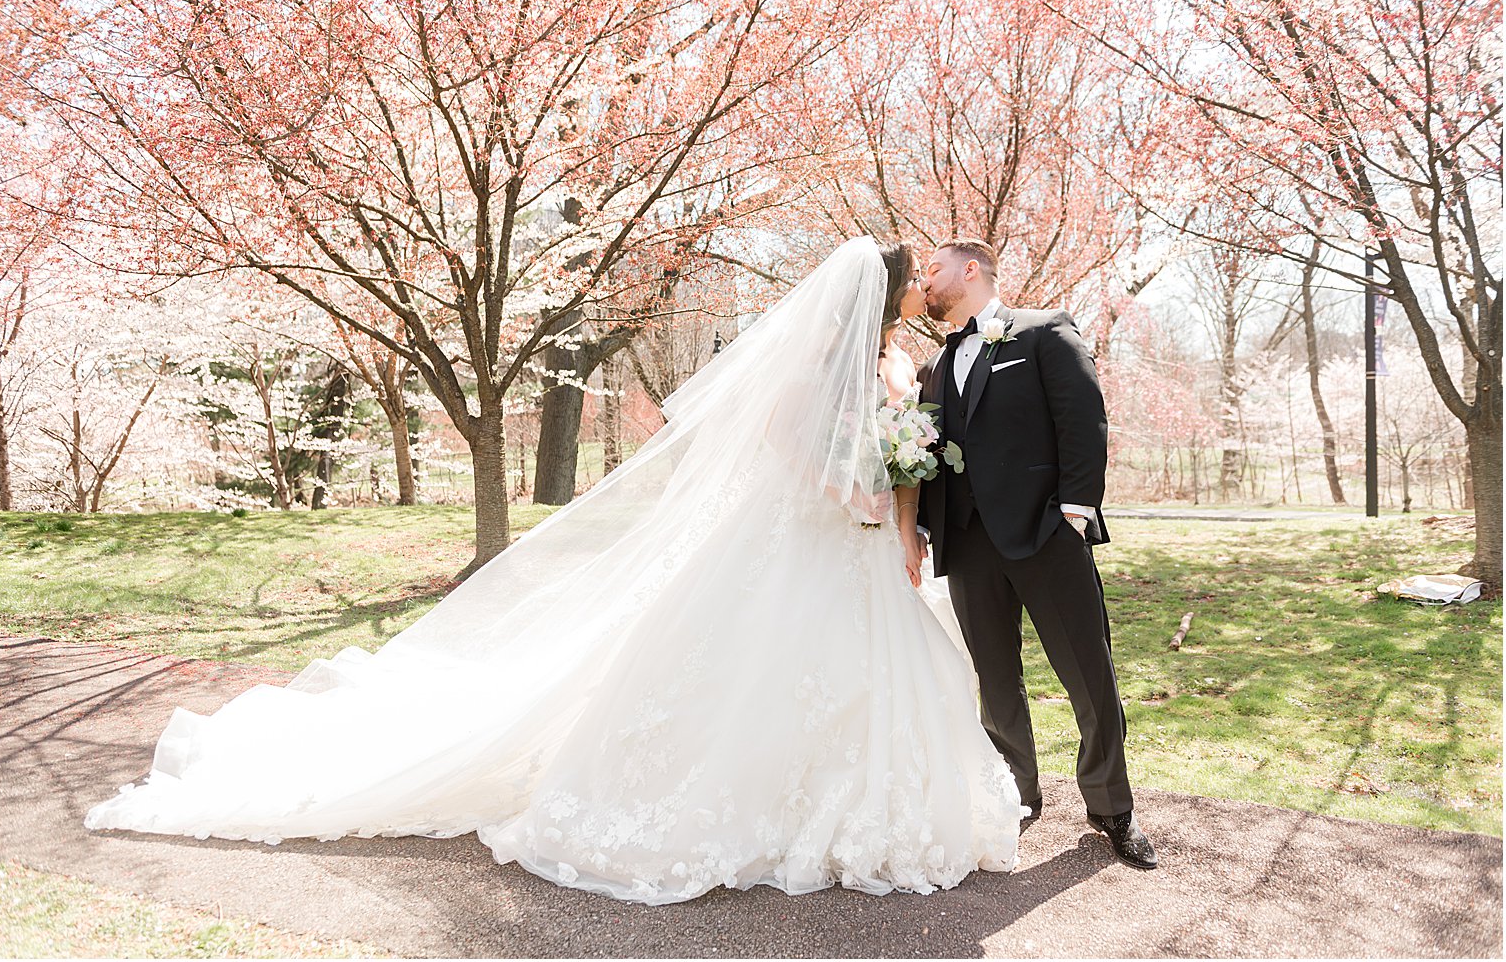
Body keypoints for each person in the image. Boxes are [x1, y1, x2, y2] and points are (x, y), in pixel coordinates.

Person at [85, 237, 1025, 905]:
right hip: (809, 541)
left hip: (863, 557)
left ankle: (862, 809)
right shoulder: (818, 367)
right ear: (881, 292)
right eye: (911, 282)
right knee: (761, 670)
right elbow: (790, 440)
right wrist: (844, 492)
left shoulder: (894, 364)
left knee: (877, 682)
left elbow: (901, 455)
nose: (919, 291)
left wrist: (893, 518)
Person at [912, 238, 1157, 870]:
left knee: (1088, 676)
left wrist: (1074, 514)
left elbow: (1084, 420)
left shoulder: (1045, 332)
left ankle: (1110, 807)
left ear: (972, 271)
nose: (925, 279)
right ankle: (1017, 797)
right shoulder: (936, 367)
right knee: (996, 682)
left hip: (1046, 537)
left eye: (933, 269)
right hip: (966, 545)